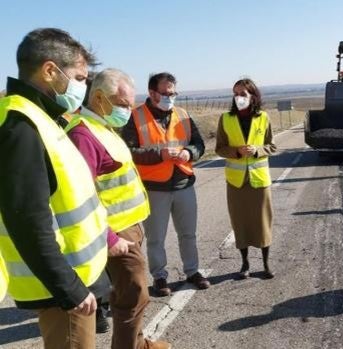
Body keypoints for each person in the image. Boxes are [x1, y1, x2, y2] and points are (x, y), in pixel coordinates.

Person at [0, 28, 109, 348]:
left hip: (76, 280)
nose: (83, 86)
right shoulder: (21, 127)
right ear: (50, 71)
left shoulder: (45, 118)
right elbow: (28, 220)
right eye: (79, 77)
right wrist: (69, 289)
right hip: (63, 290)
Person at [66, 69, 170, 348]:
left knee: (127, 293)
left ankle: (139, 343)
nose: (128, 109)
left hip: (130, 226)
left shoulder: (103, 129)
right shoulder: (84, 136)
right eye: (123, 104)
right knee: (135, 294)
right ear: (99, 98)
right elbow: (79, 194)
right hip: (115, 231)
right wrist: (109, 236)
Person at [122, 72, 209, 296]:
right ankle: (160, 277)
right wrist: (159, 154)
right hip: (154, 188)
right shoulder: (136, 116)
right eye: (166, 93)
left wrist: (190, 153)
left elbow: (198, 143)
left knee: (188, 234)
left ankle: (192, 271)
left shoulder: (182, 114)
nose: (171, 96)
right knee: (156, 238)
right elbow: (129, 152)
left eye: (173, 92)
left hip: (184, 184)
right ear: (152, 93)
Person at [215, 78, 277, 279]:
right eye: (236, 93)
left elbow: (272, 146)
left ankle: (266, 264)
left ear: (253, 96)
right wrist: (237, 152)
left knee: (262, 222)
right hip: (236, 182)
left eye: (243, 94)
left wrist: (257, 150)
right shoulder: (225, 118)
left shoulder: (263, 117)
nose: (239, 97)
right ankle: (245, 264)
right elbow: (220, 148)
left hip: (259, 179)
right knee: (240, 222)